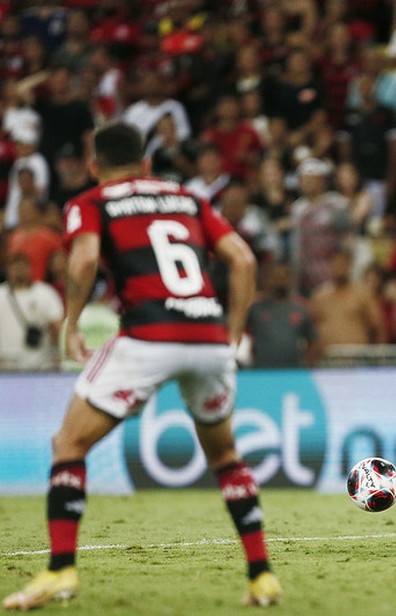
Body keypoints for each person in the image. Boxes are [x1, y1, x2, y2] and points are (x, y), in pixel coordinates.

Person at [2, 122, 281, 609]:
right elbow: (242, 259)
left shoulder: (91, 202)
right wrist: (231, 334)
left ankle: (60, 571)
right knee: (225, 458)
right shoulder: (187, 199)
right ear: (147, 164)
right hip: (209, 336)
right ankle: (262, 578)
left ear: (94, 167)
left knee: (69, 443)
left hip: (149, 334)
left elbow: (84, 261)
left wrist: (71, 324)